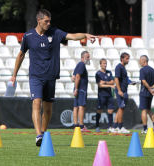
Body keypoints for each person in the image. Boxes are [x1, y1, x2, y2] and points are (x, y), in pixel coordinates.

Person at [11, 9, 96, 146]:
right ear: (39, 21)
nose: (49, 23)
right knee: (36, 103)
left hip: (51, 77)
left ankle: (43, 133)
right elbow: (20, 55)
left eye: (50, 21)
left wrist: (85, 34)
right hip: (35, 77)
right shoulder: (28, 36)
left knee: (48, 109)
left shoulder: (55, 32)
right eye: (46, 21)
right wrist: (14, 75)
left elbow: (72, 36)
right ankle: (38, 135)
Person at [139, 55, 154, 134]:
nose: (139, 62)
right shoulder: (153, 70)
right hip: (150, 94)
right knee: (149, 110)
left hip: (144, 92)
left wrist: (149, 89)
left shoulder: (142, 70)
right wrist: (151, 88)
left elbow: (143, 81)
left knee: (144, 110)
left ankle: (145, 128)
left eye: (140, 60)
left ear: (144, 61)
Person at [112, 52, 131, 134]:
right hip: (121, 91)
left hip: (124, 90)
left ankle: (115, 126)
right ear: (122, 59)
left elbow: (125, 79)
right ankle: (120, 127)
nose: (128, 60)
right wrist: (119, 90)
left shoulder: (123, 67)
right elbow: (116, 79)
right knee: (121, 108)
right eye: (127, 58)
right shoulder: (119, 67)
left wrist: (131, 82)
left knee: (120, 108)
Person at [95, 58, 115, 132]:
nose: (105, 65)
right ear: (100, 65)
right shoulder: (98, 74)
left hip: (109, 95)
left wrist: (105, 82)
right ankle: (97, 127)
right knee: (99, 110)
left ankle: (110, 127)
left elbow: (112, 82)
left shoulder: (109, 72)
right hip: (102, 95)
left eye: (106, 63)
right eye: (103, 63)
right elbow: (100, 85)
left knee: (110, 111)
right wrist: (109, 85)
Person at [73, 51, 91, 132]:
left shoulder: (78, 65)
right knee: (81, 106)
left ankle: (76, 125)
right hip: (81, 89)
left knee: (76, 107)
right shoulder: (82, 64)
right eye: (87, 57)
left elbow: (73, 77)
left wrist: (75, 88)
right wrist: (77, 88)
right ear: (82, 57)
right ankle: (81, 126)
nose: (88, 58)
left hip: (78, 88)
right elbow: (77, 76)